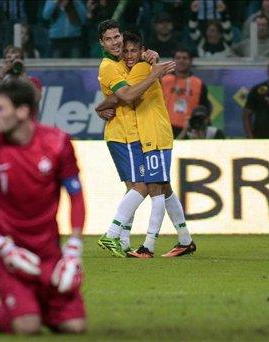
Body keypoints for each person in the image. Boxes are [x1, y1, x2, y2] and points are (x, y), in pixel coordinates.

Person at [0, 79, 86, 335]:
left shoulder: (58, 143)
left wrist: (73, 249)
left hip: (47, 250)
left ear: (22, 111)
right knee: (26, 327)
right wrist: (2, 246)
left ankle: (31, 304)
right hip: (7, 251)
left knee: (75, 327)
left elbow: (76, 195)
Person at [94, 19, 175, 257]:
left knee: (133, 187)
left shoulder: (122, 62)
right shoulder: (108, 66)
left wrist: (149, 56)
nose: (115, 42)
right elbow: (128, 96)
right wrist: (154, 74)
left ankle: (123, 240)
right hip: (122, 133)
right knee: (140, 186)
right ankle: (111, 235)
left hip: (132, 133)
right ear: (102, 43)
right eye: (108, 39)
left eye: (117, 37)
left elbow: (120, 93)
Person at [121, 32, 197, 258]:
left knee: (154, 189)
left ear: (142, 50)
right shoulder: (138, 66)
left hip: (155, 134)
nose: (129, 55)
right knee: (164, 189)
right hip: (150, 134)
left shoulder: (142, 67)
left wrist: (104, 105)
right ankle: (185, 240)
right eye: (125, 51)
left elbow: (126, 95)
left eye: (134, 50)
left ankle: (148, 246)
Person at [162, 47, 212, 137]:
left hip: (190, 130)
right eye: (178, 58)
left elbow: (205, 108)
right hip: (165, 128)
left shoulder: (199, 83)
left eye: (185, 58)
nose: (181, 61)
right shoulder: (164, 80)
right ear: (173, 61)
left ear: (191, 61)